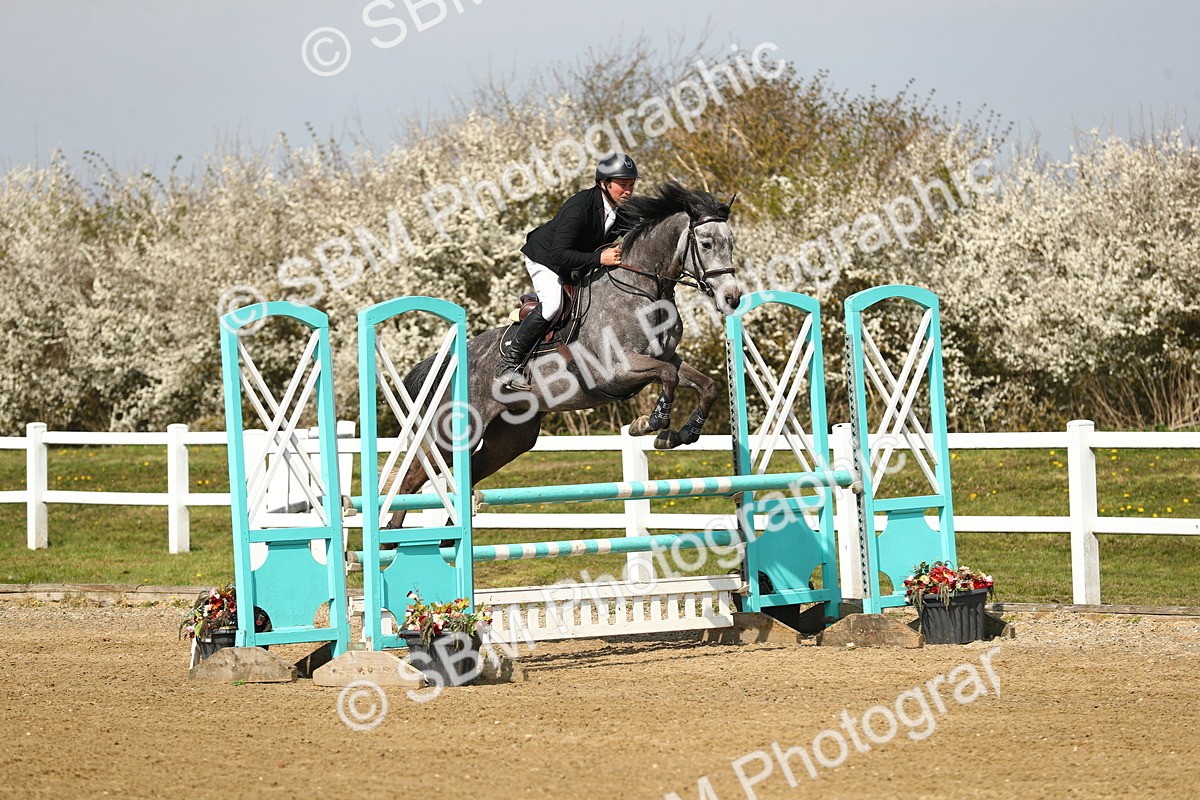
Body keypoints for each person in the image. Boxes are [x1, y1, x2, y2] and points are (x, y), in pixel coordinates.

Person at [495, 152, 639, 390]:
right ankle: (509, 364)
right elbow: (558, 255)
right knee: (553, 305)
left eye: (631, 184)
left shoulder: (621, 210)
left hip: (576, 261)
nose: (629, 191)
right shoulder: (579, 207)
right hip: (546, 259)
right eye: (623, 184)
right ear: (604, 183)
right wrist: (599, 258)